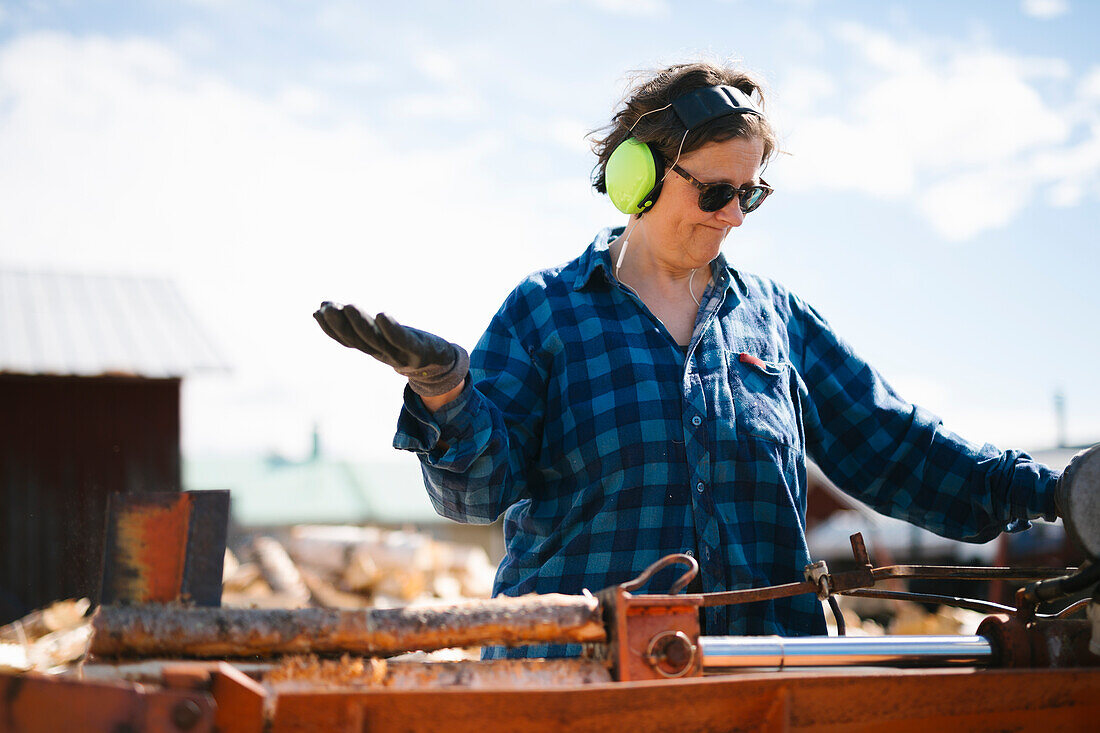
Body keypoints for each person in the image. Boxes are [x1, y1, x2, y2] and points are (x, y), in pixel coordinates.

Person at [314, 61, 1071, 659]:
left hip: (763, 677)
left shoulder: (775, 319)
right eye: (715, 191)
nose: (735, 216)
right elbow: (476, 496)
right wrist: (448, 394)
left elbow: (897, 446)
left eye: (751, 194)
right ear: (636, 176)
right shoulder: (547, 311)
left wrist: (1058, 492)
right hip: (583, 681)